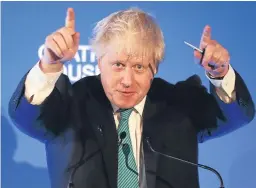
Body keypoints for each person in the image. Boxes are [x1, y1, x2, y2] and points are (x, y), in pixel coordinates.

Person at [8, 7, 255, 188]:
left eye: (139, 67)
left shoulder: (179, 103)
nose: (127, 80)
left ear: (155, 68)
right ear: (98, 62)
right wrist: (50, 65)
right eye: (117, 64)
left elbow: (236, 115)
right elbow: (26, 116)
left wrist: (219, 72)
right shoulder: (71, 103)